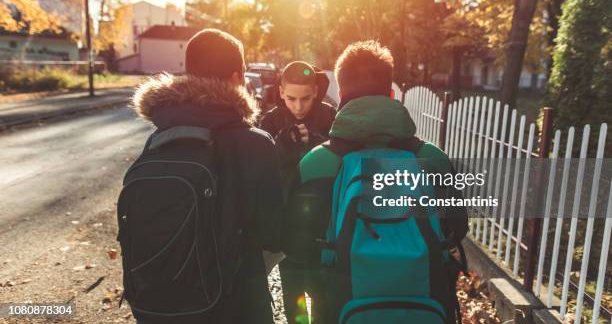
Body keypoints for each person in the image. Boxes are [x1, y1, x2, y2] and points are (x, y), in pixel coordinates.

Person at [285, 40, 469, 322]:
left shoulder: (315, 164)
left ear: (341, 94)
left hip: (340, 308)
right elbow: (456, 229)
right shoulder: (432, 159)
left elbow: (297, 250)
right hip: (423, 306)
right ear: (392, 94)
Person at [125, 29, 283, 323]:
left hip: (162, 304)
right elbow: (274, 235)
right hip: (237, 304)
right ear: (238, 78)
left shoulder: (159, 138)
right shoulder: (257, 144)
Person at [258, 61, 336, 323]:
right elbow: (260, 179)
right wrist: (280, 150)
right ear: (280, 92)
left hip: (324, 229)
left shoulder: (330, 118)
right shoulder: (269, 121)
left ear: (316, 91)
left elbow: (341, 165)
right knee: (295, 307)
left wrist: (317, 145)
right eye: (291, 98)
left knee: (324, 306)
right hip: (287, 230)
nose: (299, 106)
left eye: (305, 98)